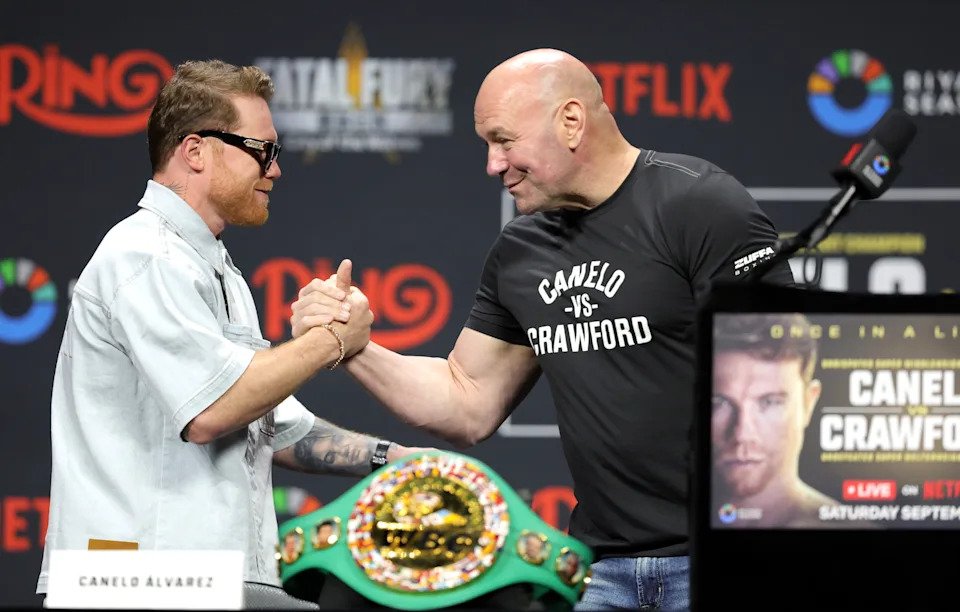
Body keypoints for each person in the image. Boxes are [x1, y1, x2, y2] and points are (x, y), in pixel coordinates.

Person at [290, 48, 795, 610]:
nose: (493, 164)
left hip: (722, 560)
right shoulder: (522, 249)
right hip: (600, 570)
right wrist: (350, 343)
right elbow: (467, 401)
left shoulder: (699, 205)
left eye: (504, 140)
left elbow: (787, 375)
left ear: (571, 122)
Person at [36, 59, 425, 610]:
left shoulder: (212, 266)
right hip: (135, 582)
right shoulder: (145, 254)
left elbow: (274, 425)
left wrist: (395, 459)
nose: (275, 170)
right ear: (195, 151)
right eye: (261, 150)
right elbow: (212, 410)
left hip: (206, 581)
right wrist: (333, 339)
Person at [711, 313, 838, 528]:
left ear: (808, 403)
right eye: (720, 402)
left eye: (770, 402)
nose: (743, 434)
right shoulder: (663, 523)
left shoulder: (855, 534)